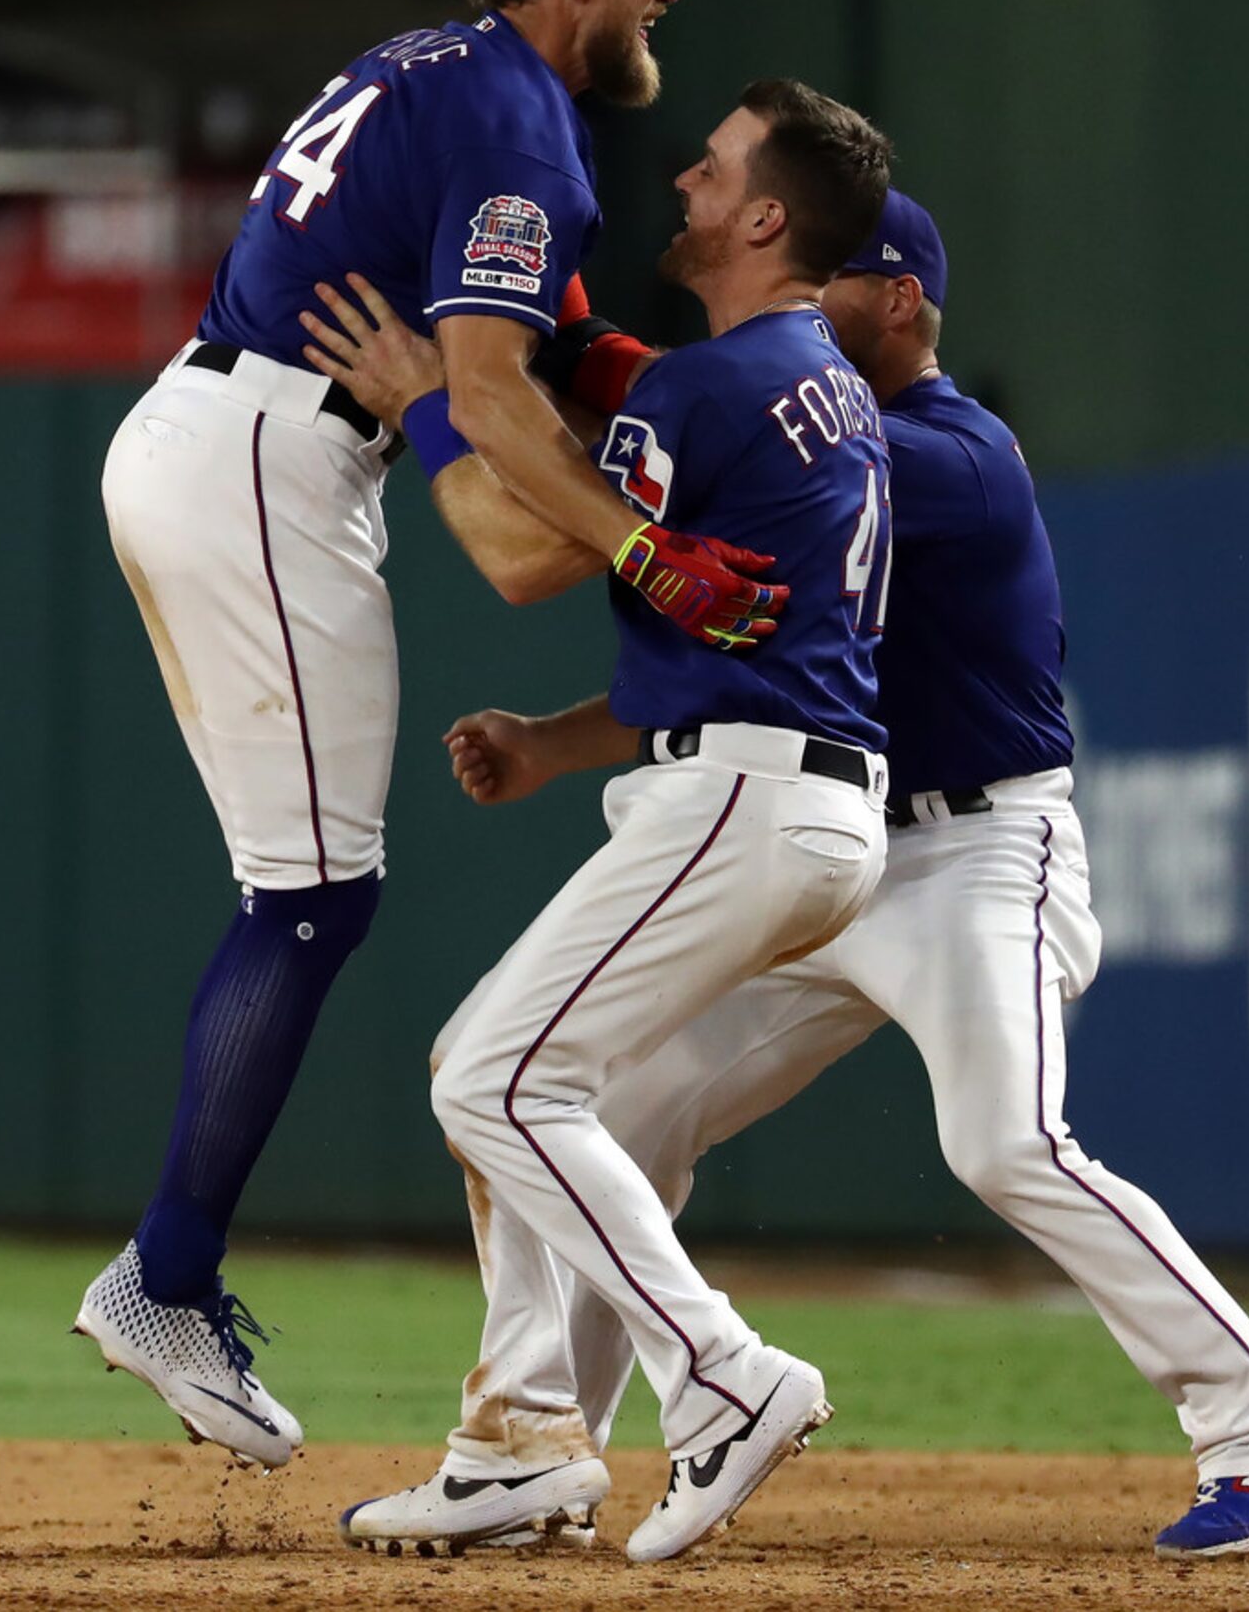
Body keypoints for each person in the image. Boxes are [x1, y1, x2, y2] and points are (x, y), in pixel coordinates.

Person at [322, 188, 1249, 1564]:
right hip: (829, 843)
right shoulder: (816, 421)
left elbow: (621, 500)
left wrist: (477, 388)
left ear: (903, 299)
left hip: (980, 849)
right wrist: (557, 741)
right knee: (606, 1111)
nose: (809, 306)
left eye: (840, 283)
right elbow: (750, 634)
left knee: (1004, 1141)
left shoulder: (943, 449)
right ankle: (532, 1448)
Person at [75, 0, 784, 1473]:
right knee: (314, 895)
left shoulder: (441, 68)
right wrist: (642, 550)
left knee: (313, 889)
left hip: (229, 440)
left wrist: (597, 385)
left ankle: (169, 1273)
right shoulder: (521, 119)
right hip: (265, 460)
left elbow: (534, 343)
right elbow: (481, 370)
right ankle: (165, 1278)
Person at [307, 79, 895, 1562]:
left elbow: (520, 557)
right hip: (801, 796)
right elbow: (697, 592)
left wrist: (427, 403)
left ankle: (723, 1373)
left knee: (490, 1083)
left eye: (715, 171)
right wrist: (556, 740)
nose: (687, 181)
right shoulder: (813, 380)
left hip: (741, 798)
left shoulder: (710, 387)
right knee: (544, 1088)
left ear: (767, 217)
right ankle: (514, 1435)